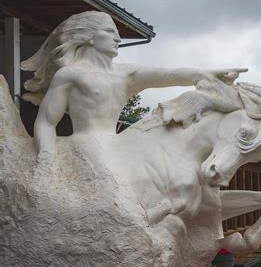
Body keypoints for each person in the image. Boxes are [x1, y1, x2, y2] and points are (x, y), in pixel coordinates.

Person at [21, 11, 246, 164]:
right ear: (89, 37)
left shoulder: (126, 74)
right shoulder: (70, 74)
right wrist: (47, 158)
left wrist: (209, 74)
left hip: (116, 146)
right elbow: (46, 122)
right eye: (110, 32)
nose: (118, 38)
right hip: (87, 149)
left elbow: (171, 74)